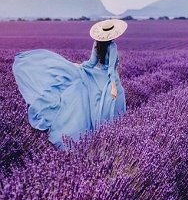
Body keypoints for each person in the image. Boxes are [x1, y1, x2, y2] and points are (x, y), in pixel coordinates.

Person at [12, 19, 128, 150]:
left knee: (91, 101)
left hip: (96, 75)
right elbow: (111, 69)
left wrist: (79, 66)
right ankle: (109, 133)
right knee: (112, 103)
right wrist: (113, 86)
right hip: (108, 79)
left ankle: (99, 132)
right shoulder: (112, 47)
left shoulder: (97, 44)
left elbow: (91, 63)